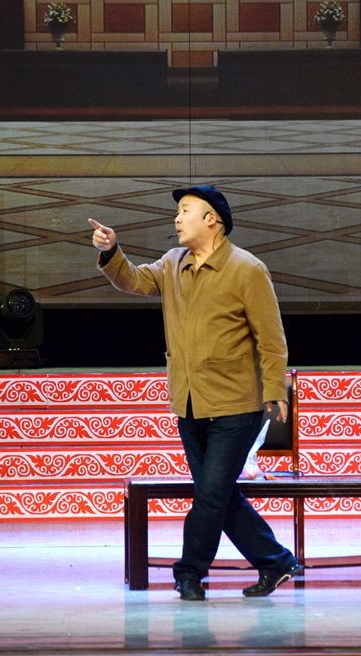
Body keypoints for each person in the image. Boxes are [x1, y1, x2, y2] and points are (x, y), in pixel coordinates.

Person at [88, 185, 302, 601]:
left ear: (212, 220)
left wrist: (276, 388)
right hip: (189, 401)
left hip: (236, 404)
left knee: (211, 495)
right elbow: (133, 280)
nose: (177, 218)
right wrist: (111, 251)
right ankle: (276, 561)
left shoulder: (247, 269)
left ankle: (189, 572)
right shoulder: (172, 263)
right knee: (215, 494)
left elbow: (272, 339)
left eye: (185, 210)